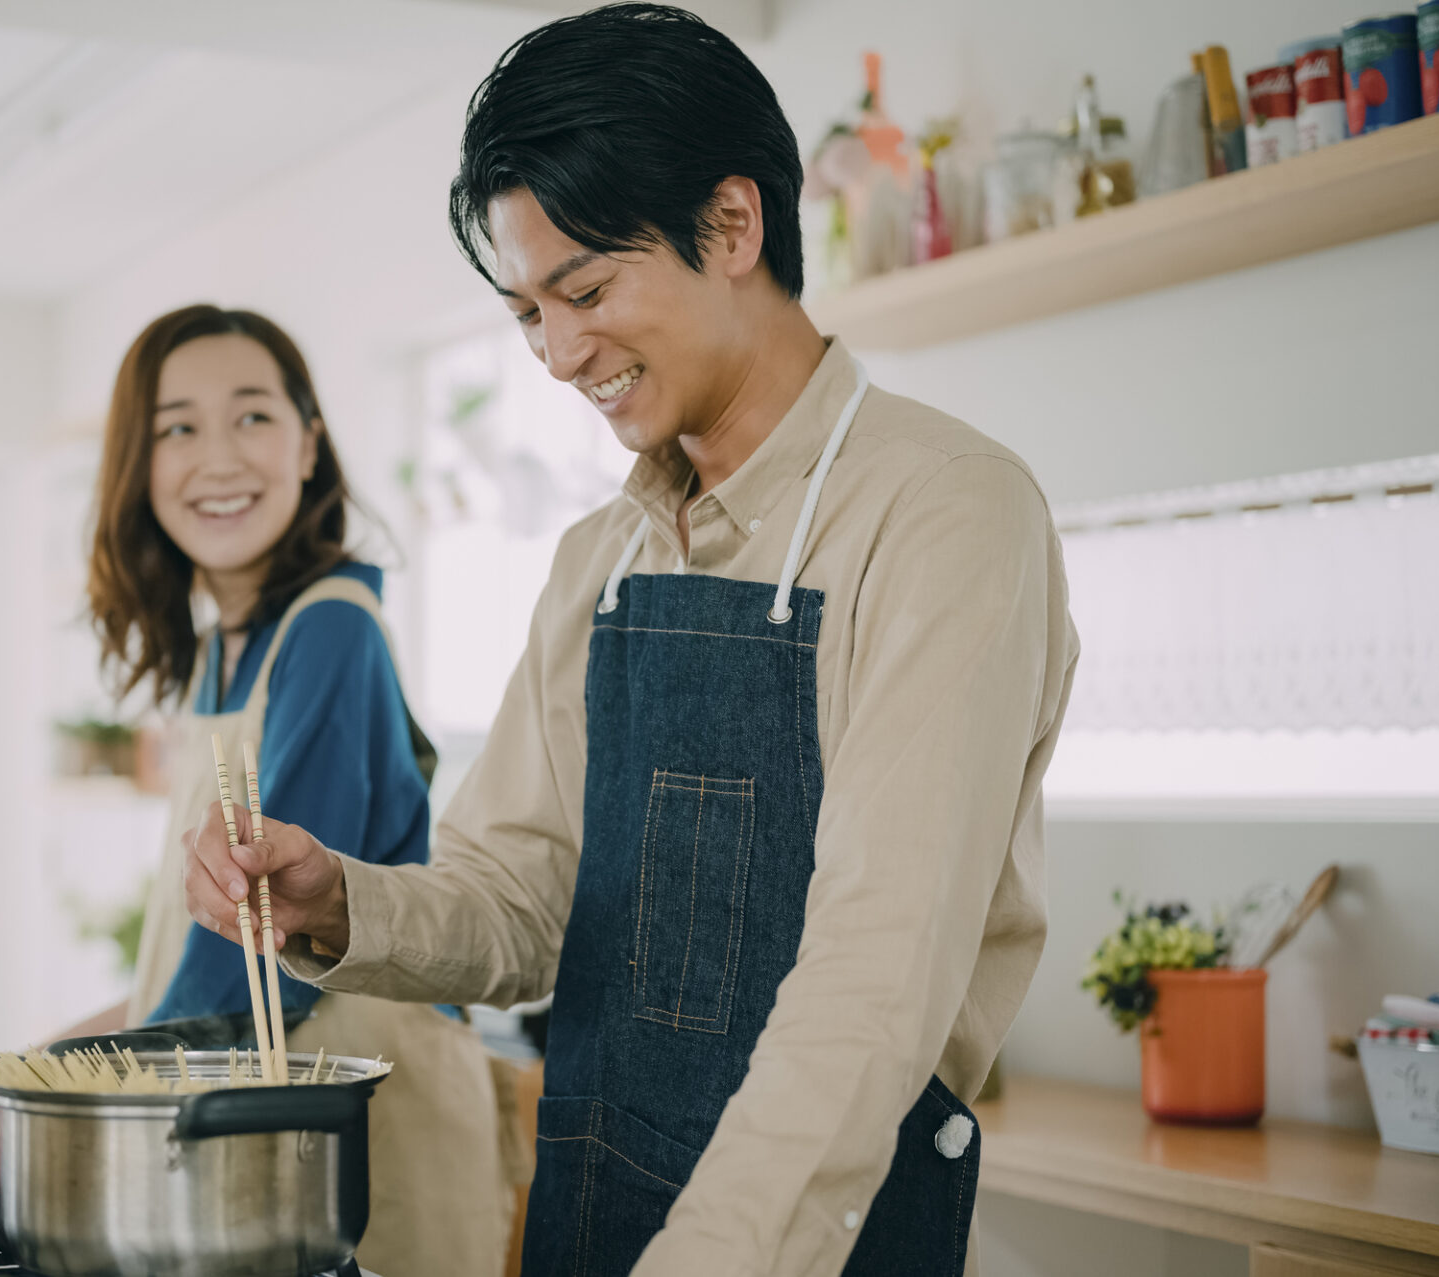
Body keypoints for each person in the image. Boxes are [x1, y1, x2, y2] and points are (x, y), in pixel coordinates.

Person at [189, 6, 1079, 1275]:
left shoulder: (944, 510)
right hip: (590, 1209)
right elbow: (521, 900)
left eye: (587, 290)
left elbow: (874, 982)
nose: (557, 354)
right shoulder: (598, 564)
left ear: (731, 226)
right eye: (525, 314)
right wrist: (341, 900)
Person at [75, 304, 512, 1277]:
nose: (218, 456)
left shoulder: (331, 630)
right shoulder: (217, 651)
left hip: (364, 1126)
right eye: (177, 426)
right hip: (277, 1117)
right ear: (139, 468)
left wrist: (76, 1091)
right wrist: (68, 1045)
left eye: (254, 416)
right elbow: (198, 940)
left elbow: (256, 949)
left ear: (310, 444)